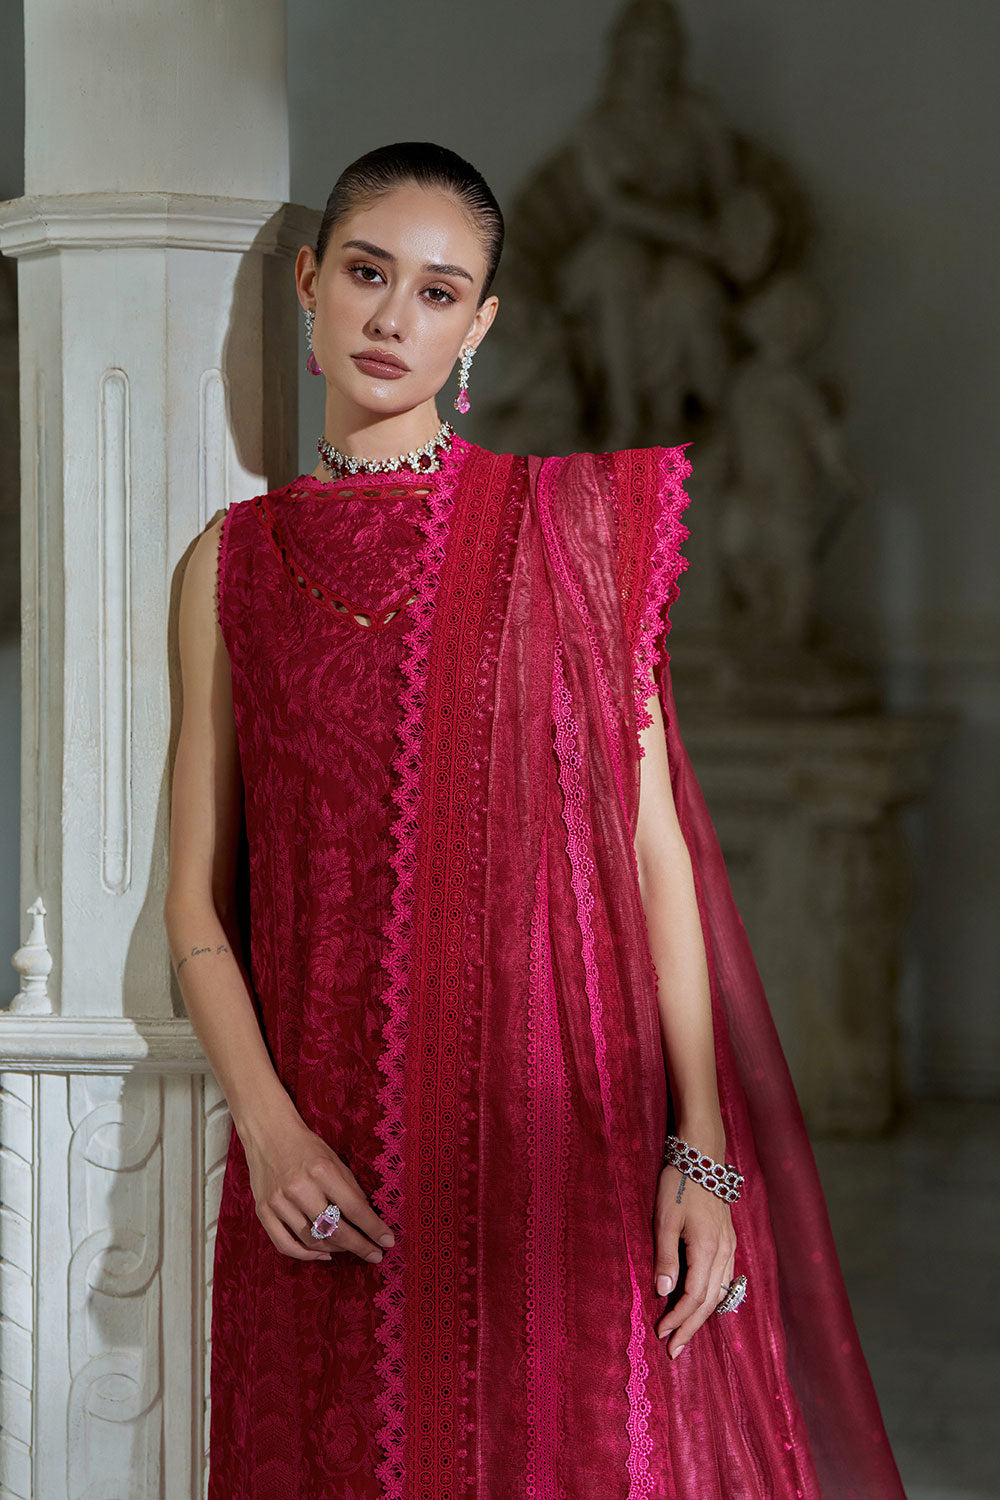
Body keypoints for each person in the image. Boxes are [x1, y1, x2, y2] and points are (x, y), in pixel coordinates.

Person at [164, 141, 906, 1500]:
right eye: (369, 274)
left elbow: (655, 856)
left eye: (439, 292)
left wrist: (702, 1150)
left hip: (561, 1148)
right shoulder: (232, 567)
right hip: (326, 1171)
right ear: (309, 282)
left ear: (481, 327)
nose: (394, 318)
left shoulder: (573, 532)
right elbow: (197, 904)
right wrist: (268, 1132)